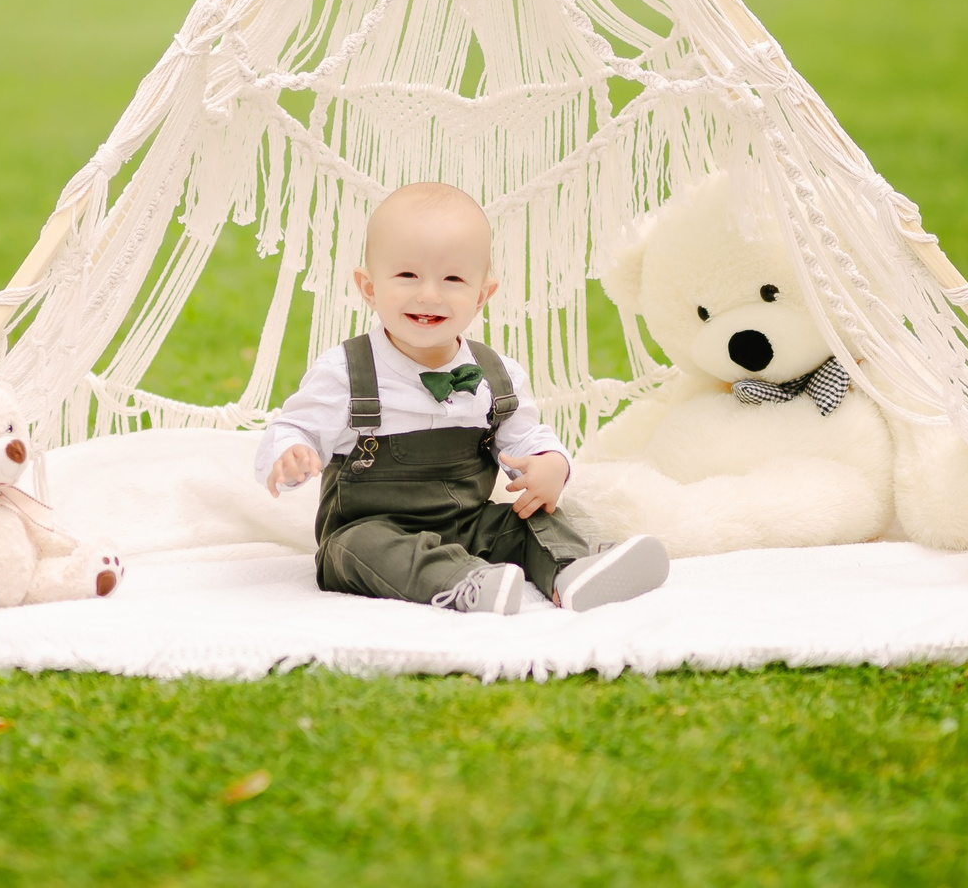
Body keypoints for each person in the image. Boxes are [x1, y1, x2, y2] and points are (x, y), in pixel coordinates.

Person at [256, 181, 669, 615]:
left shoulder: (497, 374)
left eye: (453, 279)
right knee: (360, 547)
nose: (429, 294)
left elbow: (526, 436)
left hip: (470, 526)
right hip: (373, 531)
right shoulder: (346, 371)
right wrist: (291, 453)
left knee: (529, 518)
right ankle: (462, 583)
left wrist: (551, 463)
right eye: (407, 275)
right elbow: (294, 426)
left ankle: (574, 569)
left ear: (482, 296)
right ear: (369, 287)